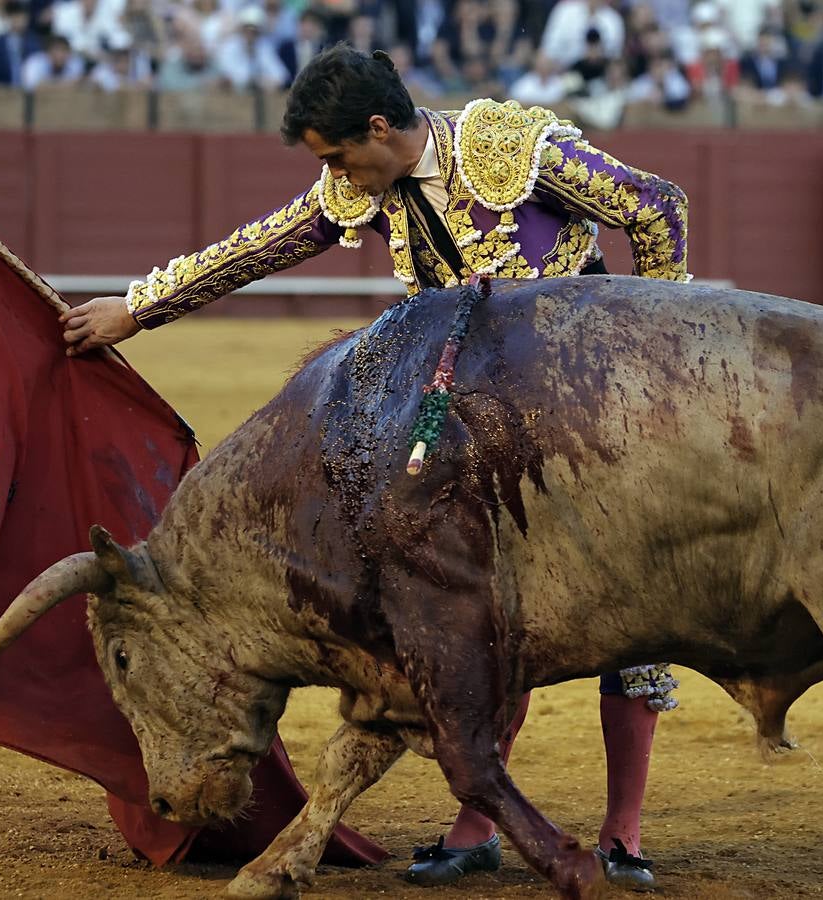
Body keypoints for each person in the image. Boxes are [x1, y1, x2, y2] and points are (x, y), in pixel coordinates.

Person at [58, 42, 688, 892]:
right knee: (479, 617)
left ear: (381, 129)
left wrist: (659, 363)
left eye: (335, 155)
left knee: (634, 611)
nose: (334, 175)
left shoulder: (513, 149)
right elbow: (260, 247)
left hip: (588, 420)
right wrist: (136, 308)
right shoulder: (361, 182)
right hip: (472, 432)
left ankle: (624, 833)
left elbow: (656, 207)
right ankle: (478, 826)